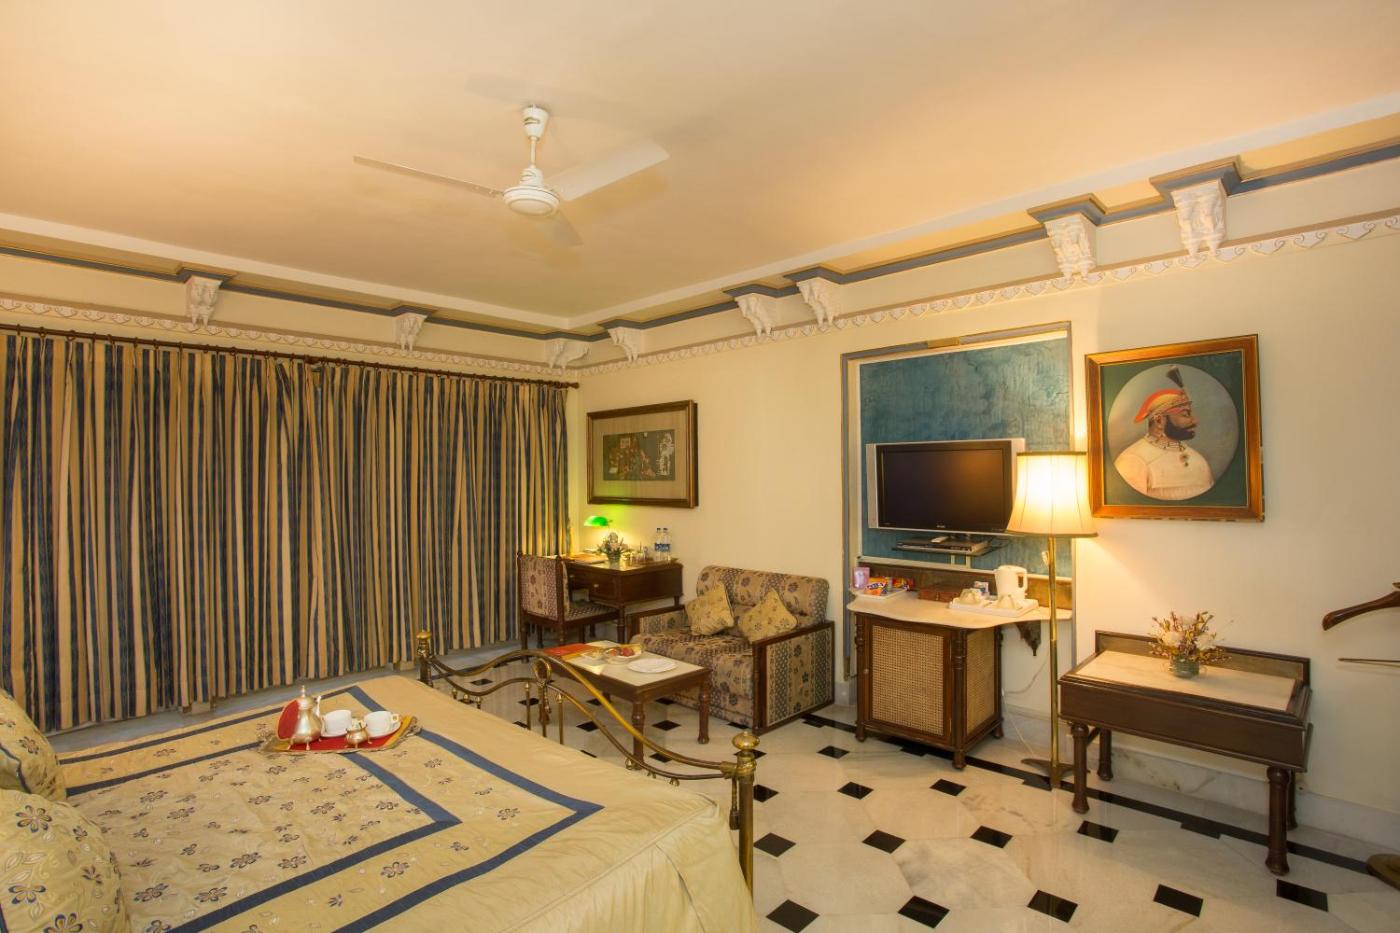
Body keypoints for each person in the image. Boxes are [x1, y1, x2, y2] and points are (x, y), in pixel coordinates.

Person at [1113, 367, 1214, 500]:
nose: (1195, 421)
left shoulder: (1199, 460)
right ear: (1159, 420)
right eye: (1185, 414)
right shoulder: (1132, 461)